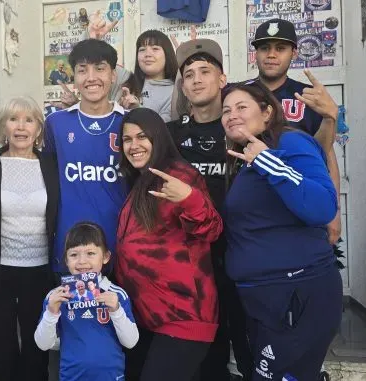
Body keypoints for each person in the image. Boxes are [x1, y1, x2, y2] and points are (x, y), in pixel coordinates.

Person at [222, 81, 342, 380]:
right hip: (265, 298)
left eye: (241, 107)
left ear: (267, 112)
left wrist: (267, 161)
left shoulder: (290, 143)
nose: (231, 115)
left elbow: (322, 206)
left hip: (296, 292)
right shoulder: (246, 156)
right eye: (225, 110)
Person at [115, 107, 223, 381]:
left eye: (142, 137)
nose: (134, 145)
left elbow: (212, 229)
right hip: (153, 316)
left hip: (183, 316)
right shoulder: (142, 181)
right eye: (127, 139)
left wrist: (189, 198)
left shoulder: (177, 176)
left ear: (158, 138)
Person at [167, 39, 253, 381]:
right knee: (206, 346)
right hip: (193, 258)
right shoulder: (171, 135)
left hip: (242, 251)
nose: (197, 80)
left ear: (222, 79)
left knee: (249, 340)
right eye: (188, 75)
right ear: (183, 86)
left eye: (205, 72)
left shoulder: (244, 132)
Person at [0, 96, 59, 381]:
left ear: (38, 128)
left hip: (40, 271)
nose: (21, 126)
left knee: (38, 351)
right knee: (2, 351)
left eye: (29, 120)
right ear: (4, 127)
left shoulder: (52, 165)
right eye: (14, 119)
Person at [249, 18, 342, 247]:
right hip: (251, 198)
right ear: (256, 54)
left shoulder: (309, 96)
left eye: (280, 48)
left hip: (300, 195)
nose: (271, 55)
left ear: (294, 53)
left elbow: (325, 154)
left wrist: (334, 211)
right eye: (264, 48)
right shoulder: (239, 94)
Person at [43, 38, 127, 274]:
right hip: (71, 253)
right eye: (82, 70)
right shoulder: (55, 124)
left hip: (122, 248)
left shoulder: (130, 122)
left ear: (113, 75)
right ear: (75, 78)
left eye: (100, 68)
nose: (91, 78)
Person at [34, 222, 139, 381]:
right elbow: (43, 344)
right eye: (74, 255)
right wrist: (51, 312)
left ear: (105, 257)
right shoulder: (56, 297)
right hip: (71, 376)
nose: (82, 261)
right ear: (66, 260)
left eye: (90, 253)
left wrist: (116, 310)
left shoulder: (116, 294)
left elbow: (131, 342)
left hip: (111, 376)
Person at [119, 29, 177, 122]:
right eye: (142, 49)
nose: (147, 54)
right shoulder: (125, 79)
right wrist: (94, 37)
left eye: (155, 49)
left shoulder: (176, 91)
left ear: (167, 54)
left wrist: (137, 110)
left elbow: (163, 129)